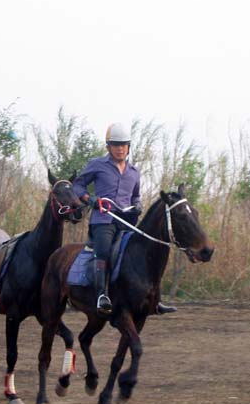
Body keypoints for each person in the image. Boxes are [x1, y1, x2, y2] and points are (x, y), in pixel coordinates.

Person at [74, 123, 177, 316]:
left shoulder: (134, 172)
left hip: (127, 221)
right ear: (108, 147)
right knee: (103, 250)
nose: (120, 148)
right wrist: (90, 199)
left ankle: (155, 299)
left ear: (129, 147)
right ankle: (101, 295)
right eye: (115, 144)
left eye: (123, 144)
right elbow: (78, 186)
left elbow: (135, 196)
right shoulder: (97, 165)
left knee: (149, 251)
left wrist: (138, 205)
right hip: (103, 220)